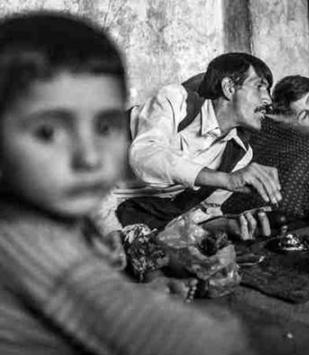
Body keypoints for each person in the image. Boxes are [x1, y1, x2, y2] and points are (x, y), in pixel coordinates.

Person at [0, 12, 250, 355]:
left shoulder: (59, 217)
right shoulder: (31, 244)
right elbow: (213, 342)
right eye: (49, 131)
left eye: (105, 126)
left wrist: (139, 294)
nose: (90, 156)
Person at [116, 52, 282, 239]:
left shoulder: (240, 154)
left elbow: (202, 211)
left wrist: (228, 224)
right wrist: (226, 179)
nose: (268, 100)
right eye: (259, 87)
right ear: (229, 88)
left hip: (139, 216)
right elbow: (145, 156)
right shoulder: (176, 101)